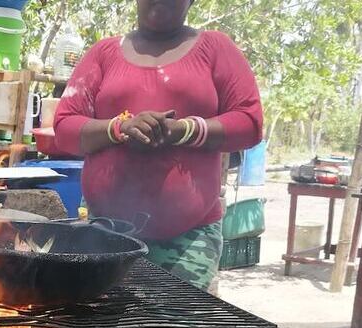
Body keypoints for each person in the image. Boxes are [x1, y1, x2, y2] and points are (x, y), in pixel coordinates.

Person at [53, 0, 263, 290]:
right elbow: (64, 126)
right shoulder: (103, 54)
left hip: (188, 240)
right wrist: (120, 128)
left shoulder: (216, 48)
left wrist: (183, 130)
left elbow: (249, 122)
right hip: (106, 233)